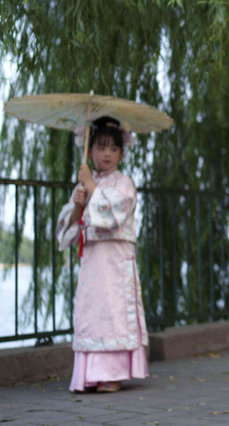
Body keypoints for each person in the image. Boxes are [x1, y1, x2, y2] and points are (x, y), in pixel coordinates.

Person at [56, 116, 149, 393]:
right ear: (90, 150)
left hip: (116, 260)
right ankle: (89, 375)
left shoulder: (125, 184)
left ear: (121, 153)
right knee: (92, 314)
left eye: (112, 148)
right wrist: (77, 205)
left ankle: (114, 375)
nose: (106, 153)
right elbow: (69, 229)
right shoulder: (85, 185)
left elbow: (115, 214)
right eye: (100, 147)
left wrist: (92, 186)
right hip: (93, 260)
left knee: (114, 312)